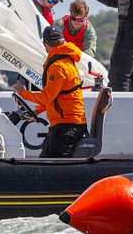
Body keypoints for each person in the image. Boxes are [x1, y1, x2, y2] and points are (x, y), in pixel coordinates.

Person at [12, 25, 87, 158]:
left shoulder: (58, 67)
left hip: (67, 126)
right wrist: (38, 110)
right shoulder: (66, 60)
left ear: (45, 44)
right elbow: (57, 96)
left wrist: (22, 92)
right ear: (62, 40)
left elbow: (47, 97)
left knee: (49, 164)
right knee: (44, 161)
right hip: (68, 124)